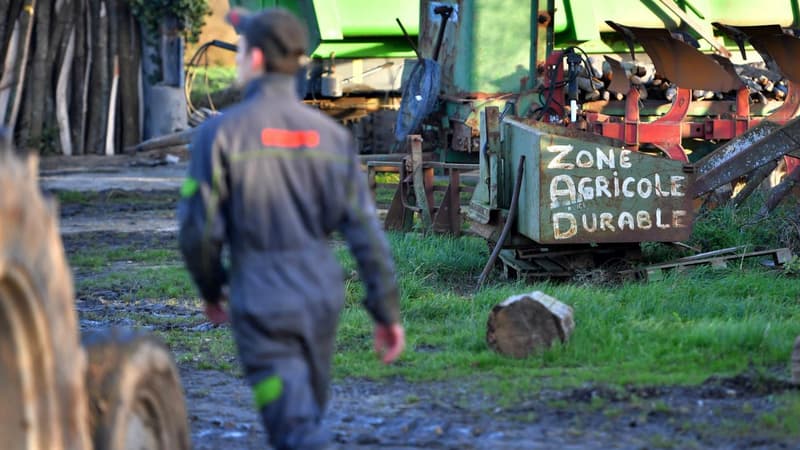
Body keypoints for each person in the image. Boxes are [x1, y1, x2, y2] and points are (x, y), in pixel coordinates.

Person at [177, 7, 405, 449]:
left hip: (261, 300)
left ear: (257, 59)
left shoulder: (219, 135)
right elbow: (366, 234)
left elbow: (196, 231)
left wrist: (211, 289)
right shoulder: (332, 138)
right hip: (320, 297)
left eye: (241, 50)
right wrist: (386, 312)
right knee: (305, 413)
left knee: (294, 426)